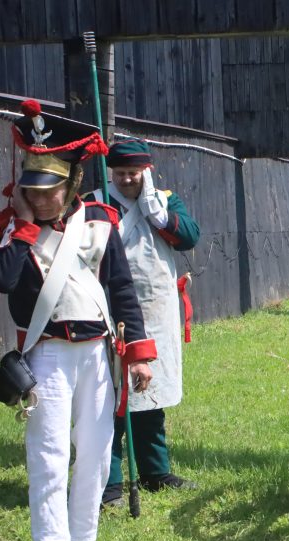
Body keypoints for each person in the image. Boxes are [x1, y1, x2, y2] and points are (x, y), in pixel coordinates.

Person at [0, 101, 156, 541]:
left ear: (72, 183)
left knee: (98, 454)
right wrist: (21, 227)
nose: (41, 199)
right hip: (46, 356)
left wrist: (138, 354)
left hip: (97, 354)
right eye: (32, 190)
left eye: (50, 190)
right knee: (50, 459)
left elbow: (121, 288)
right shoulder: (4, 230)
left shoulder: (99, 221)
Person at [85, 138, 201, 506]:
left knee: (152, 396)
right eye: (119, 173)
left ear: (146, 171)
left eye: (133, 173)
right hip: (111, 309)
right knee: (111, 399)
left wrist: (159, 215)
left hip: (157, 310)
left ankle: (154, 471)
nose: (126, 180)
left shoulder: (165, 200)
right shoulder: (95, 202)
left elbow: (189, 237)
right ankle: (111, 482)